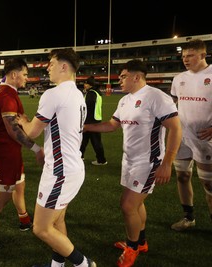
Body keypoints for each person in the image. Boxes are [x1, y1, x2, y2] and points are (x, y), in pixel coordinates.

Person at [85, 59, 182, 267]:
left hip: (149, 163)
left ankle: (132, 247)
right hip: (128, 161)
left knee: (128, 205)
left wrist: (167, 163)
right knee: (137, 204)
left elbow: (175, 128)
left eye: (122, 76)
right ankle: (141, 242)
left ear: (136, 77)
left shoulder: (156, 97)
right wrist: (85, 128)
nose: (118, 80)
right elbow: (112, 126)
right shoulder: (125, 100)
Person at [17, 48, 96, 267]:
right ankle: (57, 265)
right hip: (71, 168)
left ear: (64, 66)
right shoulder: (77, 93)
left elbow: (32, 131)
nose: (48, 67)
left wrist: (22, 120)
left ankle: (84, 264)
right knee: (58, 219)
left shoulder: (54, 93)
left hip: (60, 172)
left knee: (41, 228)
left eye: (51, 63)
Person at [0, 58, 44, 250]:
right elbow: (13, 131)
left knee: (19, 185)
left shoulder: (5, 91)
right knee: (3, 195)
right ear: (14, 74)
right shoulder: (7, 95)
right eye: (25, 74)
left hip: (11, 149)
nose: (27, 78)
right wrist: (37, 149)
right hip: (5, 151)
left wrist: (22, 122)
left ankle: (24, 220)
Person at [170, 39, 212, 231]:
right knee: (182, 177)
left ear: (203, 55)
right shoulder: (179, 78)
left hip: (205, 138)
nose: (185, 59)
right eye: (183, 56)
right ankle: (188, 218)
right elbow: (175, 104)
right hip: (182, 136)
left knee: (208, 184)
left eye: (190, 55)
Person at [80, 76, 107, 165]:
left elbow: (88, 106)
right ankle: (80, 156)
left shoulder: (91, 93)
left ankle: (101, 160)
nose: (84, 85)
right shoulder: (97, 92)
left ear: (90, 84)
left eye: (86, 83)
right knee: (84, 140)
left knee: (92, 142)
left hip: (90, 121)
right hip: (96, 119)